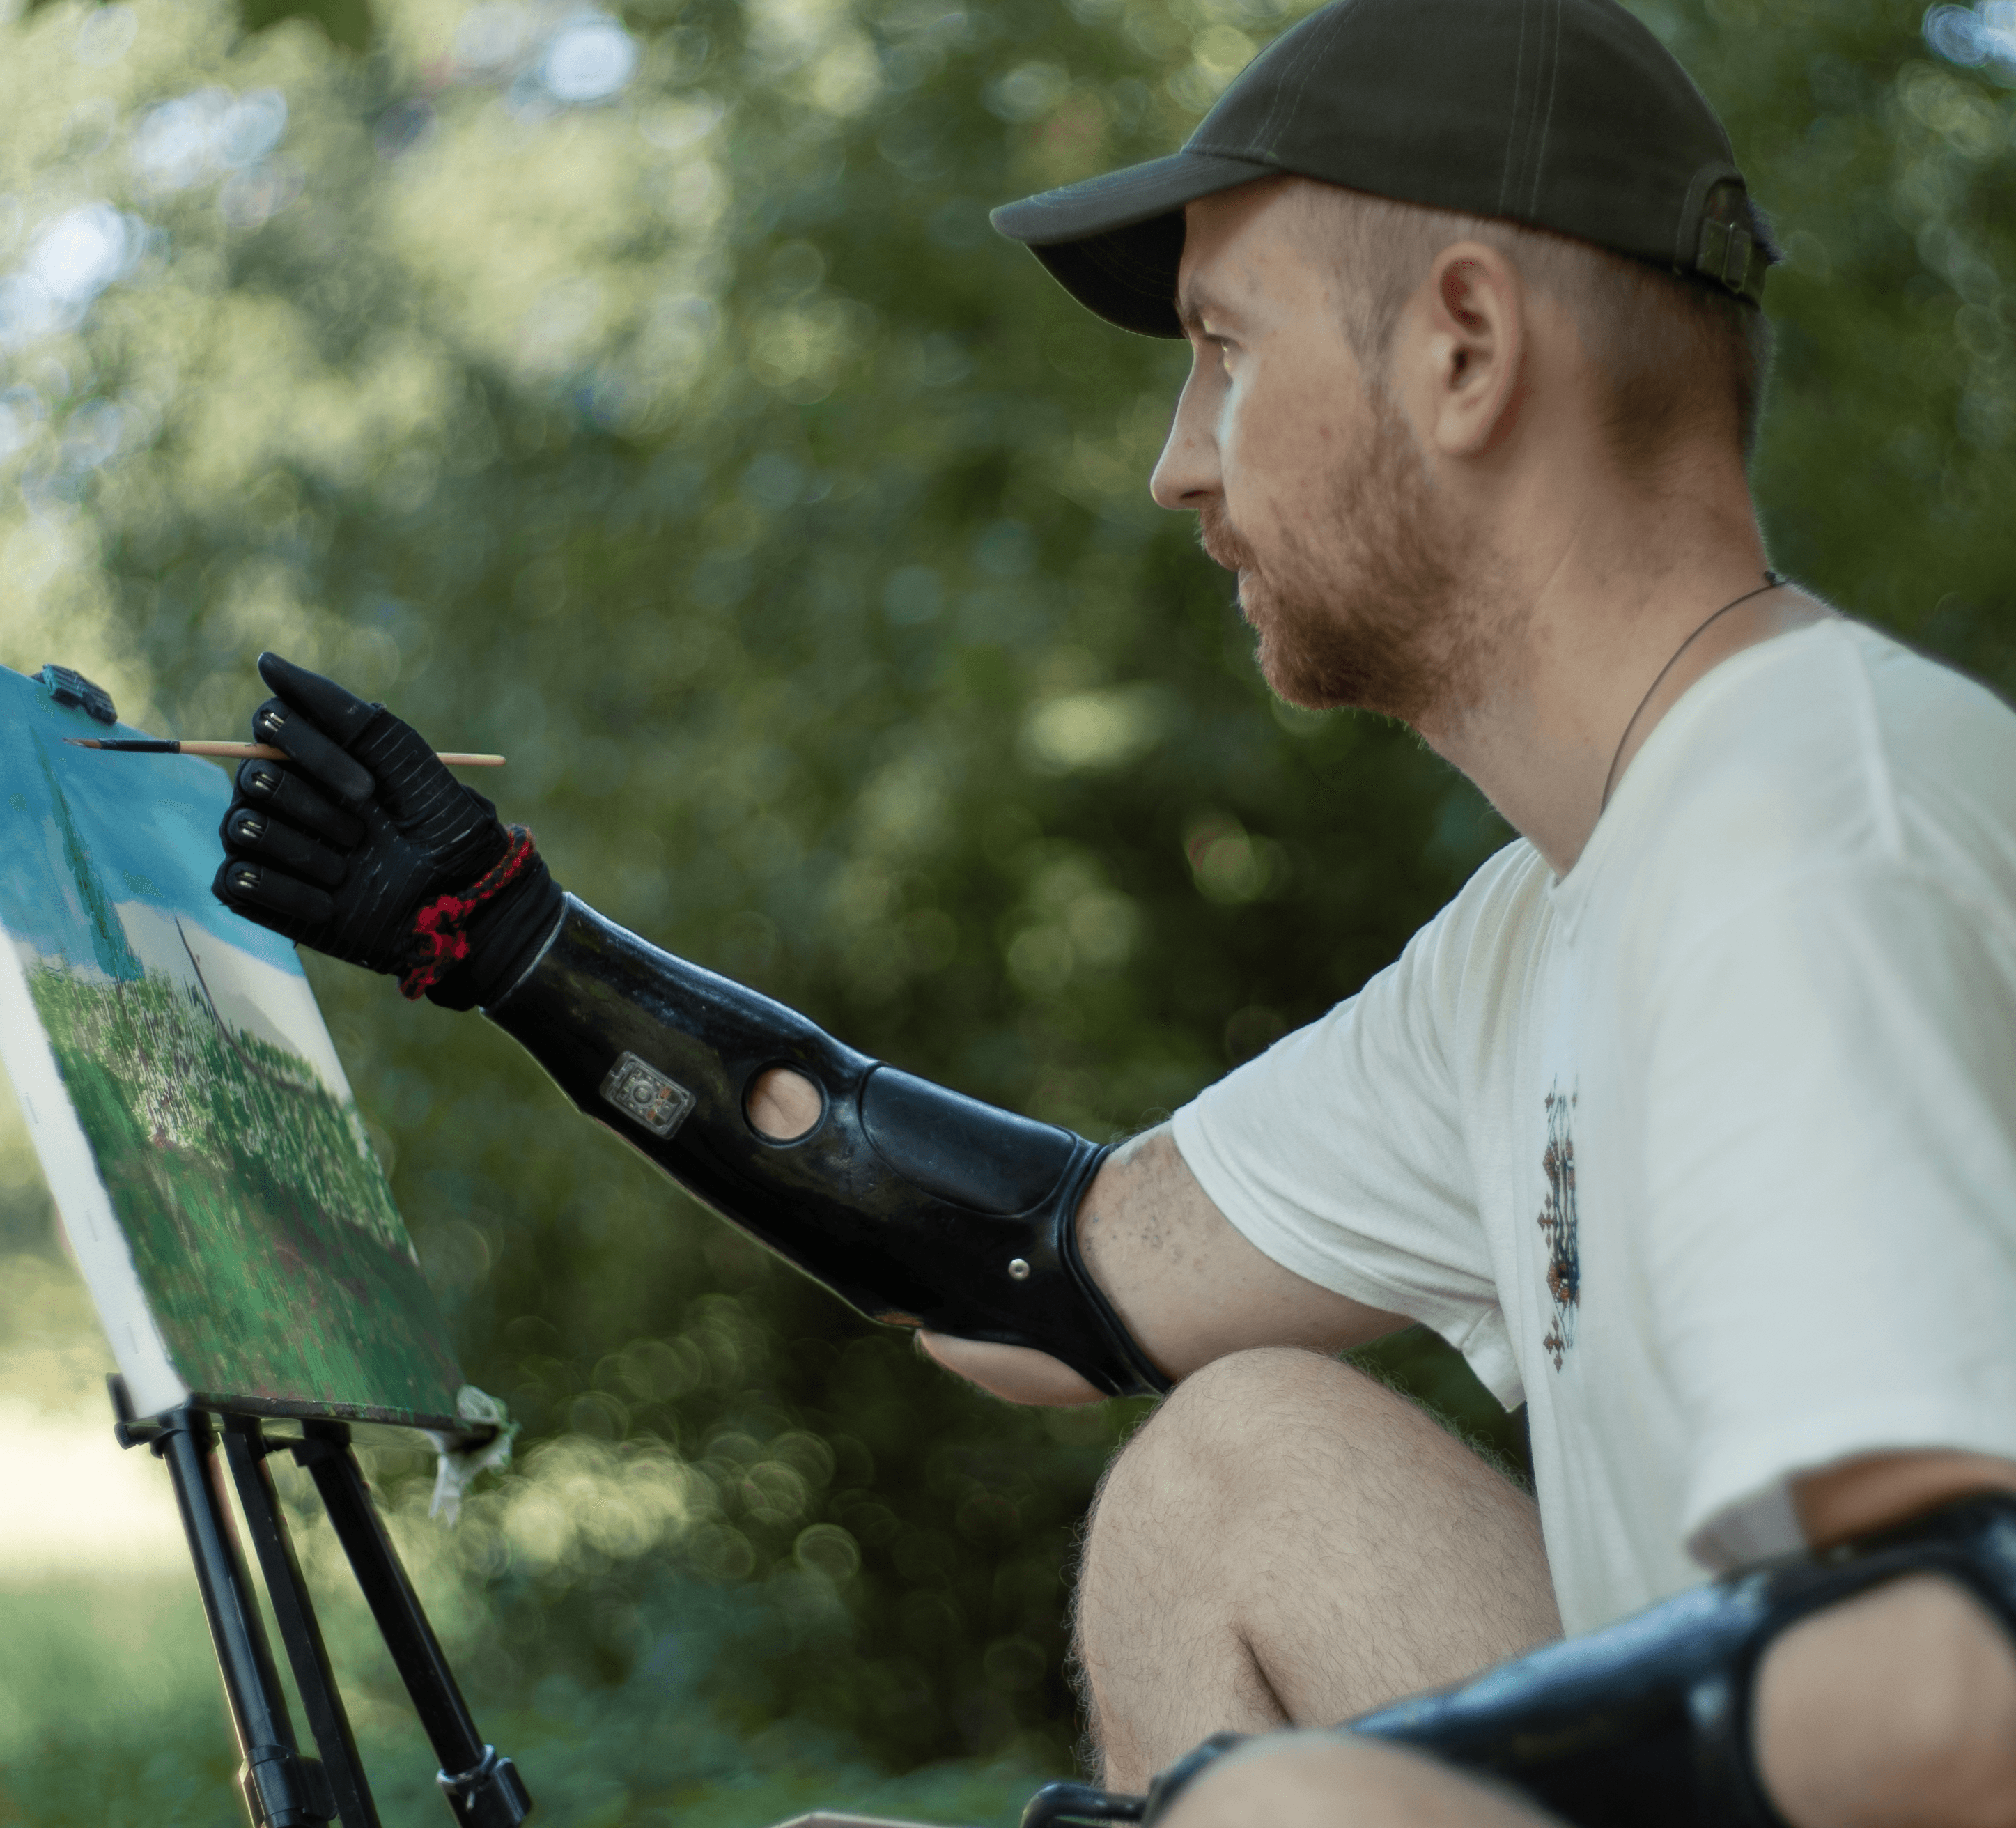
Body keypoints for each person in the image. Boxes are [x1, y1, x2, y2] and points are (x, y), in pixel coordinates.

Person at [210, 0, 2016, 1822]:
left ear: (1465, 347)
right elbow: (1043, 1274)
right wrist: (519, 943)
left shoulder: (1812, 844)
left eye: (1225, 349)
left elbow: (1962, 1666)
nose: (1178, 460)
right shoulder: (1552, 917)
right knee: (1239, 1468)